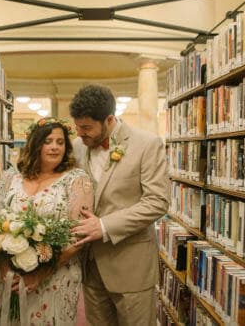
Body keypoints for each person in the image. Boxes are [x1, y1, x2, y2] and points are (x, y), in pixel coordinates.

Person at [69, 84, 168, 326]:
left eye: (86, 128)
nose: (80, 133)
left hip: (131, 267)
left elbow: (157, 201)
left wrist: (103, 226)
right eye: (77, 127)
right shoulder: (77, 147)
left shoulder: (147, 144)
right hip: (90, 267)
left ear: (109, 119)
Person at [0, 117, 94, 325]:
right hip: (11, 278)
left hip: (56, 277)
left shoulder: (77, 179)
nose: (55, 147)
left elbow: (78, 234)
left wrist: (40, 274)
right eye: (48, 141)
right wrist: (6, 270)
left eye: (60, 142)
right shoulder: (11, 177)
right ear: (35, 144)